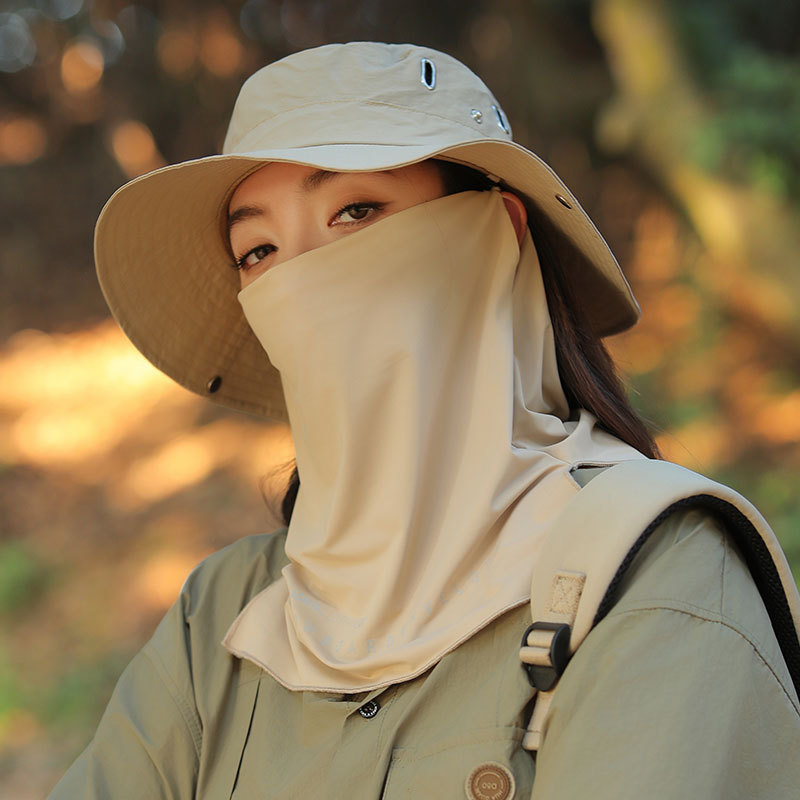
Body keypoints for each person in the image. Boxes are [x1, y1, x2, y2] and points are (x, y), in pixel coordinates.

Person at [49, 42, 799, 799]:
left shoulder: (656, 574)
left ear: (496, 233)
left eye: (356, 212)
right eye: (259, 250)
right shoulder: (221, 614)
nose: (301, 278)